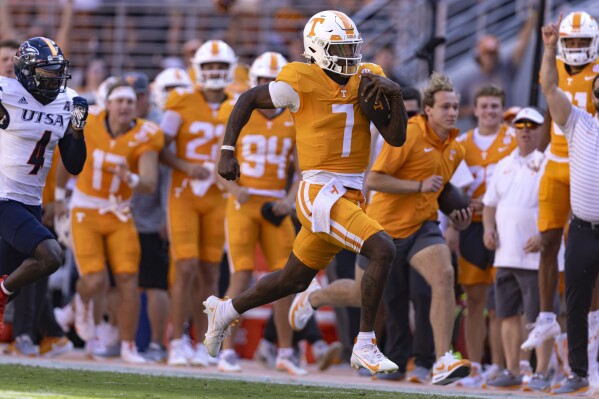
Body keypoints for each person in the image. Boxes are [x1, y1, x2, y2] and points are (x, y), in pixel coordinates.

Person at [211, 10, 408, 375]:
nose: (350, 56)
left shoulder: (368, 78)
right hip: (319, 189)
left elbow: (395, 137)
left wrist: (394, 97)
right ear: (317, 50)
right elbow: (248, 99)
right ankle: (365, 344)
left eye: (352, 47)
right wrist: (227, 150)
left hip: (349, 191)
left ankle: (226, 310)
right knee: (383, 248)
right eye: (341, 48)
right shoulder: (299, 80)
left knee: (293, 280)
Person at [56, 80, 164, 364]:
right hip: (86, 209)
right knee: (95, 280)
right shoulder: (87, 121)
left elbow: (150, 183)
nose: (126, 106)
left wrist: (130, 178)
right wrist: (57, 197)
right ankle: (79, 302)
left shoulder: (146, 133)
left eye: (130, 101)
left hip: (119, 211)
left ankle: (127, 346)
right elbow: (67, 159)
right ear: (108, 104)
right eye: (120, 101)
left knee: (128, 279)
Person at [215, 51, 303, 374]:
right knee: (241, 275)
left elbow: (301, 170)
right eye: (262, 81)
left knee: (286, 278)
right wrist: (236, 189)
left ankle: (285, 351)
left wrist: (290, 200)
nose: (267, 87)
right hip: (243, 205)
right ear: (254, 82)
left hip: (275, 207)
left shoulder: (294, 115)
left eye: (272, 81)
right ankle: (225, 350)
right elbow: (219, 165)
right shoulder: (235, 110)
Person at [522, 11, 599, 356]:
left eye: (584, 41)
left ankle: (592, 319)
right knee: (549, 240)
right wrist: (550, 48)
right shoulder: (554, 69)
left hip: (587, 163)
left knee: (586, 250)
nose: (579, 48)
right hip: (556, 160)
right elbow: (548, 91)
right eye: (574, 42)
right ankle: (546, 315)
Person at [0, 37, 88, 333]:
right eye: (46, 72)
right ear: (25, 71)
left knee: (14, 278)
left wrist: (77, 131)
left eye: (57, 72)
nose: (53, 79)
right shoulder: (6, 92)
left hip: (31, 203)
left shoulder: (67, 101)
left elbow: (74, 165)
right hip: (3, 197)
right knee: (51, 256)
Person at [159, 39, 236, 367]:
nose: (214, 72)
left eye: (219, 66)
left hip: (218, 196)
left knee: (209, 272)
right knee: (186, 267)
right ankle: (177, 339)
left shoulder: (238, 104)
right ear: (197, 70)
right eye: (208, 67)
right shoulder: (180, 101)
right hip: (185, 195)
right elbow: (160, 148)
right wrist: (185, 166)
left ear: (230, 69)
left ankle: (207, 341)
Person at [481, 107, 554, 391]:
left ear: (540, 130)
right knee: (507, 315)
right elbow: (490, 205)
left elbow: (561, 207)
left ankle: (542, 372)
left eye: (531, 125)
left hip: (538, 257)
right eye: (520, 125)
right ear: (512, 130)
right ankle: (512, 369)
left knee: (542, 316)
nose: (524, 130)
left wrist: (544, 236)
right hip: (506, 254)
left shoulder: (549, 162)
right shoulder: (503, 164)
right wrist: (488, 228)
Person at [450, 84, 516, 387]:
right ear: (475, 110)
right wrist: (451, 224)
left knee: (503, 302)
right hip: (472, 226)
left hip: (505, 226)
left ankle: (501, 365)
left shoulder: (515, 140)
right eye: (484, 106)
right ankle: (475, 364)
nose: (489, 111)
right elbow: (451, 191)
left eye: (494, 106)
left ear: (501, 110)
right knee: (474, 301)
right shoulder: (462, 144)